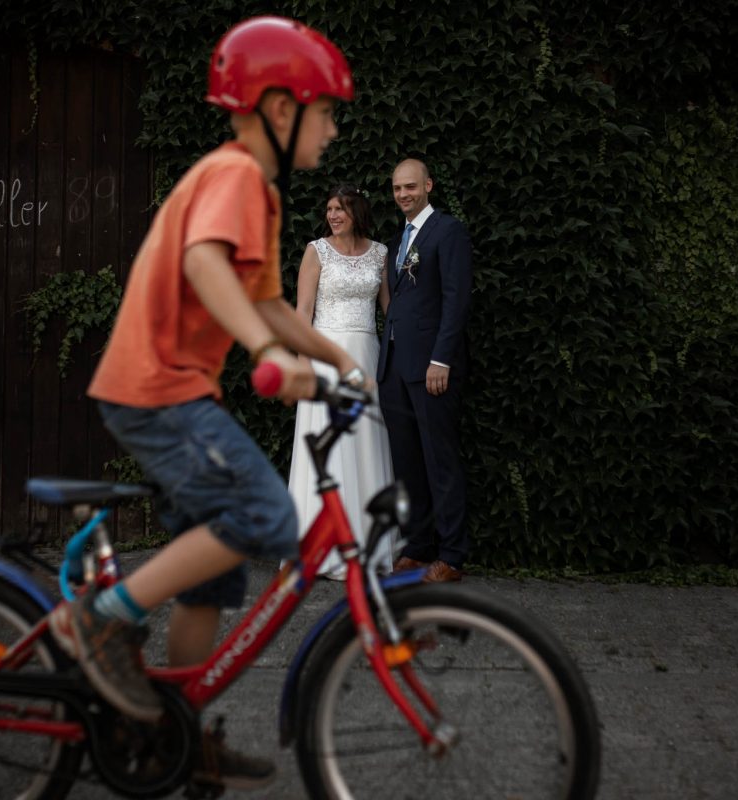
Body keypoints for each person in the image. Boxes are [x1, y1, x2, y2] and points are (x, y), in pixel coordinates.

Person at [47, 16, 364, 792]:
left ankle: (169, 733)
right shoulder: (235, 176)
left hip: (171, 391)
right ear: (280, 110)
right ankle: (96, 619)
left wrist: (334, 357)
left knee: (211, 576)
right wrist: (264, 355)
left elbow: (269, 303)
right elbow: (205, 263)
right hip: (156, 390)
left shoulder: (259, 193)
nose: (331, 130)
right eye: (325, 113)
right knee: (263, 517)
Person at [288, 185, 396, 579]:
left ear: (357, 211)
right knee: (328, 446)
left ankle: (369, 542)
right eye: (330, 208)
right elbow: (303, 309)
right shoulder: (316, 251)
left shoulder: (381, 254)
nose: (333, 215)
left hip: (367, 357)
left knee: (365, 441)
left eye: (341, 209)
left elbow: (390, 310)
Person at [377, 158, 472, 583]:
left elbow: (456, 300)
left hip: (431, 367)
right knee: (407, 463)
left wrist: (442, 359)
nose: (403, 195)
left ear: (429, 185)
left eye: (411, 187)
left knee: (440, 462)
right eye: (398, 189)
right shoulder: (398, 239)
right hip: (395, 367)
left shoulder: (447, 231)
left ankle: (451, 555)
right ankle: (418, 547)